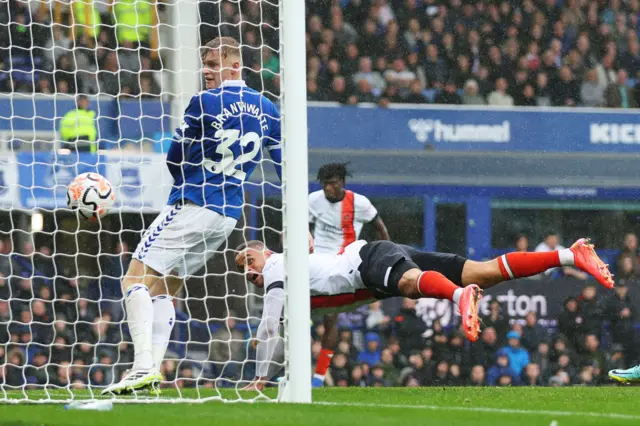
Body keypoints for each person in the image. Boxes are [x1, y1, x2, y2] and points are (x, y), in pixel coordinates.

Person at [101, 36, 282, 395]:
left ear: (234, 65)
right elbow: (283, 166)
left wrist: (194, 178)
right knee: (168, 287)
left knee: (133, 281)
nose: (207, 71)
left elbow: (173, 158)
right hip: (229, 215)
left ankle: (141, 367)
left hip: (194, 203)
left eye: (214, 64)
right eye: (205, 64)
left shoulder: (204, 102)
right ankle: (151, 372)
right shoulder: (269, 109)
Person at [236, 236, 613, 390]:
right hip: (376, 259)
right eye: (241, 270)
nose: (248, 271)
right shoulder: (295, 276)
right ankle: (570, 254)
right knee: (483, 271)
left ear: (264, 253)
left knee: (408, 284)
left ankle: (458, 296)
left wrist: (259, 377)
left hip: (367, 263)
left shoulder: (274, 269)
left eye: (248, 260)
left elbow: (270, 327)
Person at [309, 162, 390, 388]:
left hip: (342, 263)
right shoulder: (312, 201)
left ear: (342, 183)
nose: (328, 188)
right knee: (294, 313)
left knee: (331, 317)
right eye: (325, 184)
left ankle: (318, 377)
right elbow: (299, 227)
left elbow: (380, 227)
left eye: (332, 184)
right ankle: (291, 369)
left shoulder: (359, 203)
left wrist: (388, 254)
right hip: (315, 261)